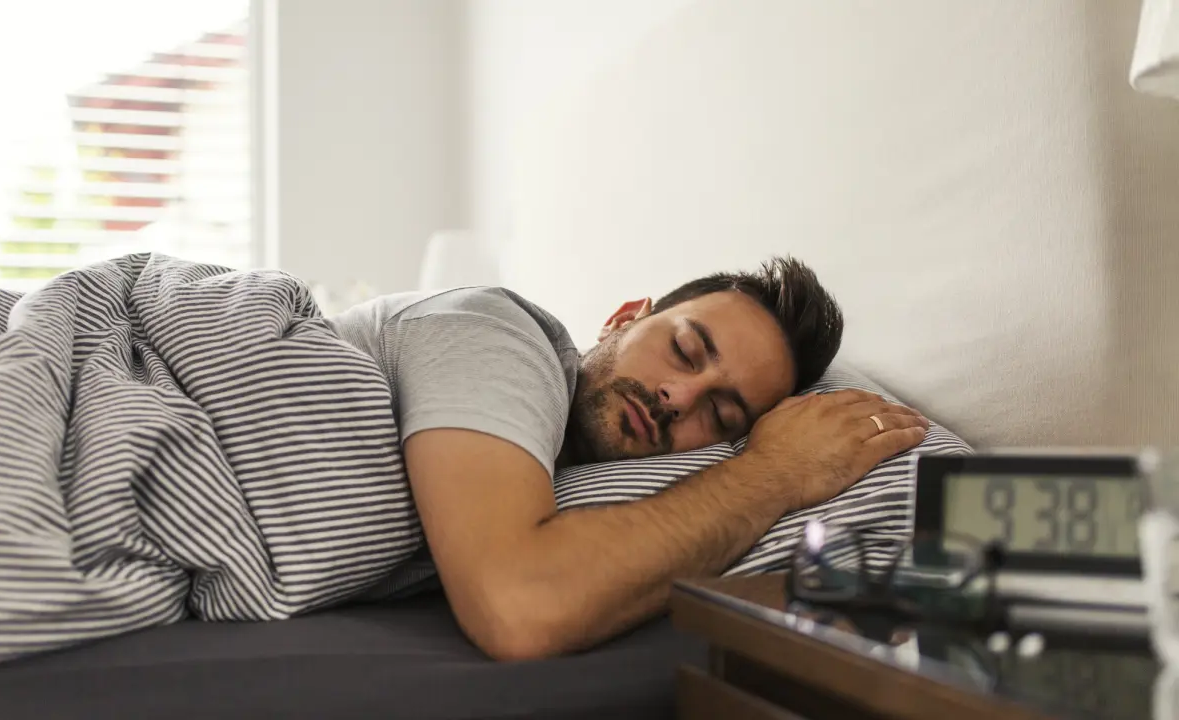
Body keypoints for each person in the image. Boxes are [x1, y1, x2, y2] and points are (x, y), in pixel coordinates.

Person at [328, 256, 928, 661]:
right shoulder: (502, 334)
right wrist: (776, 470)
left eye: (720, 416)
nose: (679, 397)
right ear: (621, 319)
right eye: (685, 349)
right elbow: (520, 603)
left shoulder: (533, 477)